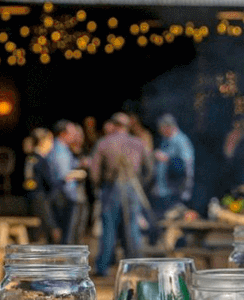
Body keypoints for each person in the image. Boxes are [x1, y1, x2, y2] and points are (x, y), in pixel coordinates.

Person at [90, 114, 152, 275]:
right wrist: (140, 183)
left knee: (108, 228)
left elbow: (94, 173)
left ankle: (103, 267)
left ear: (114, 125)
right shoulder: (138, 143)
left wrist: (100, 186)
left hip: (111, 188)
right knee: (132, 227)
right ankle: (135, 265)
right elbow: (150, 169)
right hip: (132, 186)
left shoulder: (104, 143)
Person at [46, 119, 86, 243]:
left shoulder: (62, 149)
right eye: (72, 133)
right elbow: (64, 175)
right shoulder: (59, 151)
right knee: (66, 235)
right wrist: (79, 173)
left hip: (62, 195)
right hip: (63, 196)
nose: (75, 136)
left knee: (66, 234)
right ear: (63, 134)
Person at [149, 113, 195, 218]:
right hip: (162, 190)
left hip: (175, 190)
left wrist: (167, 158)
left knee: (173, 217)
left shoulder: (182, 141)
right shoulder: (165, 140)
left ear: (168, 127)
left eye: (161, 128)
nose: (159, 131)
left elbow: (186, 165)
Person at [23, 127, 60, 242]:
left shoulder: (31, 158)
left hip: (33, 198)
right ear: (43, 142)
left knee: (37, 232)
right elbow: (48, 181)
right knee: (51, 230)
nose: (52, 144)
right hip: (40, 199)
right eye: (50, 140)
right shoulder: (40, 160)